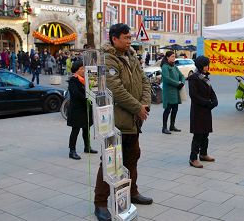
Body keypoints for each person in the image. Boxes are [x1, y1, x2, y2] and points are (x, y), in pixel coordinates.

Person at [94, 23, 152, 221]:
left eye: (130, 37)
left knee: (133, 157)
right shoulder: (107, 59)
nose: (129, 41)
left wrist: (144, 104)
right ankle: (100, 203)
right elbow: (116, 90)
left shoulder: (132, 56)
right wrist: (138, 107)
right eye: (126, 38)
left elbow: (144, 81)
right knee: (110, 162)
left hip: (134, 121)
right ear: (114, 38)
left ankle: (131, 193)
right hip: (115, 122)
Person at [188, 56, 217, 168]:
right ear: (200, 65)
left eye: (207, 65)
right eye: (205, 65)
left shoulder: (205, 77)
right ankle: (193, 158)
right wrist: (207, 103)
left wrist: (215, 100)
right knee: (198, 134)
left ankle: (203, 154)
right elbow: (194, 95)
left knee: (205, 133)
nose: (207, 67)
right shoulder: (193, 78)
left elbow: (211, 91)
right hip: (198, 110)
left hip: (206, 110)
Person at [67, 60, 97, 160]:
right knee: (75, 130)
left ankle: (87, 147)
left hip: (85, 109)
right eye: (82, 69)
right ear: (77, 70)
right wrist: (88, 99)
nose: (84, 70)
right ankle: (72, 150)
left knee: (86, 129)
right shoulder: (73, 80)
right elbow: (76, 94)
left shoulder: (85, 79)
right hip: (77, 110)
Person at [160, 51, 185, 134]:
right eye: (172, 56)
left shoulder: (174, 66)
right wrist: (177, 84)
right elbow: (166, 79)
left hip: (176, 92)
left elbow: (182, 76)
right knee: (167, 110)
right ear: (167, 57)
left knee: (175, 109)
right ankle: (164, 128)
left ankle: (172, 126)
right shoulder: (165, 67)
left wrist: (182, 82)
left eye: (174, 56)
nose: (174, 58)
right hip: (168, 92)